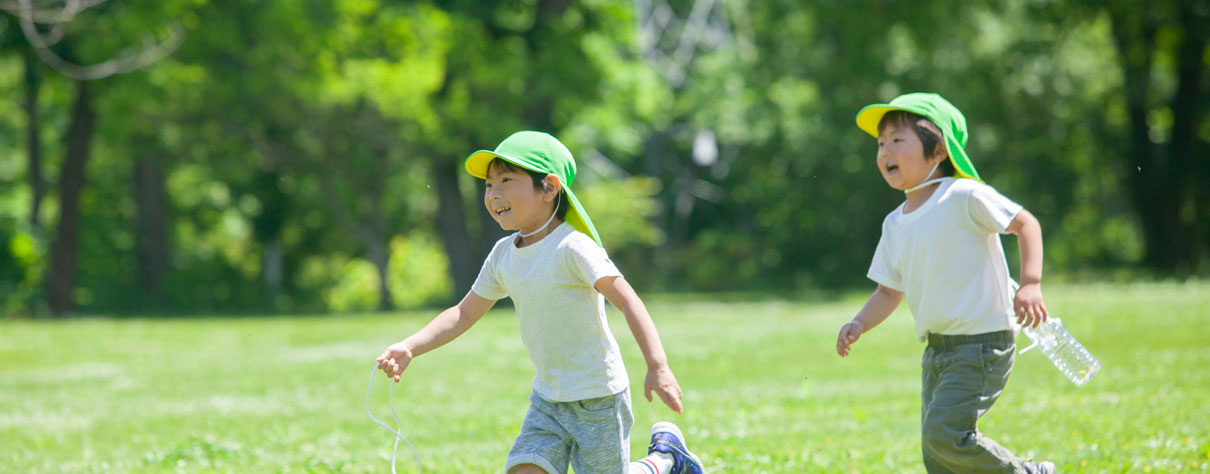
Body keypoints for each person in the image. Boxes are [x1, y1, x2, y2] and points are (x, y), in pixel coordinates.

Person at [376, 131, 704, 474]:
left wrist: (658, 365)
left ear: (549, 188)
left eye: (506, 180)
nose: (494, 193)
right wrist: (410, 346)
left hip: (598, 398)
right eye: (488, 185)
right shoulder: (503, 254)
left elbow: (628, 301)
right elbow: (463, 312)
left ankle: (665, 460)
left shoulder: (573, 248)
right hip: (548, 400)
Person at [836, 93, 1056, 474]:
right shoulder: (895, 222)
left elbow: (1026, 224)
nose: (885, 151)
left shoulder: (964, 195)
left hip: (982, 343)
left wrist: (1031, 283)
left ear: (937, 150)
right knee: (937, 455)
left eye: (897, 141)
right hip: (937, 349)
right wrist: (860, 323)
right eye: (880, 143)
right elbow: (889, 291)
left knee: (945, 436)